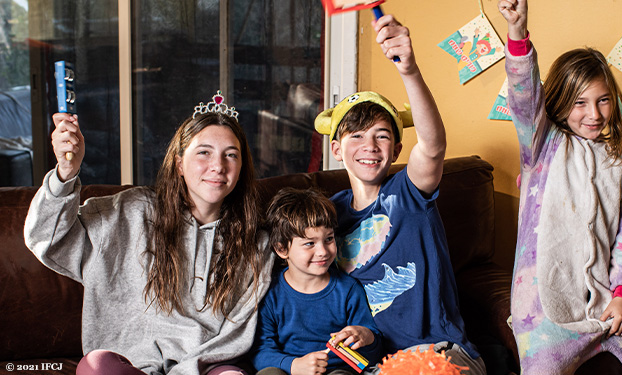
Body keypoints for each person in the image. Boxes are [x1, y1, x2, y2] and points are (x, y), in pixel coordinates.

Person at [24, 91, 274, 375]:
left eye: (231, 155)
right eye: (204, 152)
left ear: (240, 169)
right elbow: (47, 239)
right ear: (179, 164)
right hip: (129, 365)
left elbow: (237, 333)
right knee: (95, 367)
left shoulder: (257, 242)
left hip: (205, 368)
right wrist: (66, 172)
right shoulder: (130, 211)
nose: (218, 166)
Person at [498, 1, 622, 374]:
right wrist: (518, 32)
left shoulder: (621, 163)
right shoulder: (542, 147)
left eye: (603, 100)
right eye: (580, 103)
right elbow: (523, 97)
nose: (595, 114)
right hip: (544, 313)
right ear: (561, 102)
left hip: (604, 304)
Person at [313, 14, 486, 375]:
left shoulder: (407, 193)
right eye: (356, 136)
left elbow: (434, 145)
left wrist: (408, 70)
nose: (370, 146)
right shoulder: (329, 215)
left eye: (381, 135)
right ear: (336, 148)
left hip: (439, 354)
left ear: (396, 149)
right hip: (372, 362)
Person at [250, 187, 382, 375]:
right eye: (309, 243)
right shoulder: (270, 292)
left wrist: (366, 336)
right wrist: (294, 365)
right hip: (289, 370)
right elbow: (260, 351)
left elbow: (374, 352)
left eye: (328, 239)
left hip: (337, 370)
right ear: (281, 249)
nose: (323, 251)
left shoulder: (348, 290)